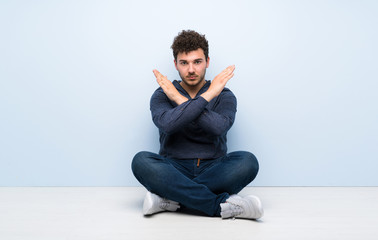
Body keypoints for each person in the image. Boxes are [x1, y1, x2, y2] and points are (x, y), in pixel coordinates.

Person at [131, 30, 263, 220]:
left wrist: (180, 99)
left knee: (248, 161)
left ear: (207, 62)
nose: (191, 70)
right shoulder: (164, 93)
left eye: (197, 62)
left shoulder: (224, 95)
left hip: (214, 168)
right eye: (184, 63)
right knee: (141, 161)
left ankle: (169, 199)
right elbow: (167, 125)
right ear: (175, 64)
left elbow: (218, 128)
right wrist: (206, 95)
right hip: (173, 167)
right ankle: (220, 206)